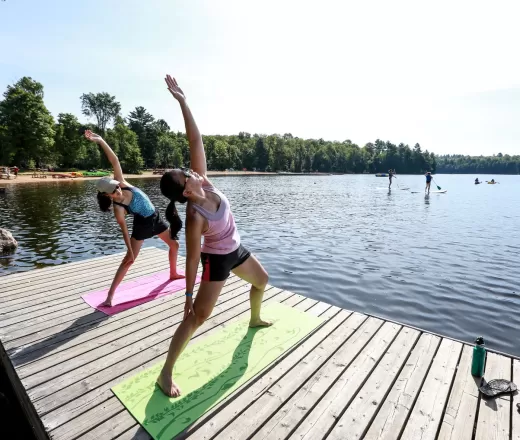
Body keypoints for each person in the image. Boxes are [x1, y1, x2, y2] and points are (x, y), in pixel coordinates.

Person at [157, 74, 271, 398]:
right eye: (187, 175)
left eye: (188, 169)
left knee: (262, 281)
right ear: (185, 191)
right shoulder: (195, 217)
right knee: (198, 318)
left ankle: (255, 319)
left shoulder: (202, 182)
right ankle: (165, 373)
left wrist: (183, 102)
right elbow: (193, 259)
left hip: (235, 249)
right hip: (215, 261)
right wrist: (188, 297)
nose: (192, 171)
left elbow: (195, 141)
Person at [84, 130, 184, 306]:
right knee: (129, 260)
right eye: (114, 191)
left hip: (156, 217)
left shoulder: (121, 182)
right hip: (142, 225)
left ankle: (173, 273)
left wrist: (100, 141)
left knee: (174, 245)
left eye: (117, 186)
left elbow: (114, 160)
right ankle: (109, 297)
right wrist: (129, 250)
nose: (118, 189)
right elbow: (124, 231)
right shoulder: (118, 209)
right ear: (107, 196)